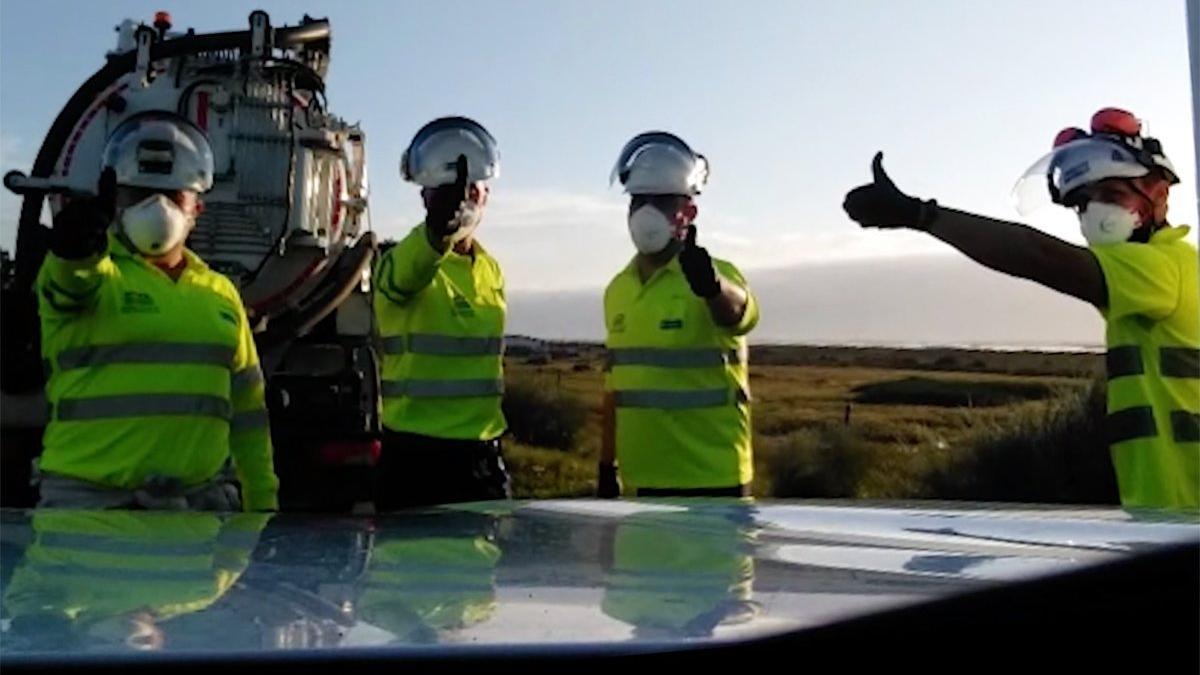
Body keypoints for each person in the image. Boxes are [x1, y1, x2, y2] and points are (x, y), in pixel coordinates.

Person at [843, 107, 1198, 509]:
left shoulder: (1166, 270)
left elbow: (1036, 255)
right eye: (1082, 204)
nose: (1094, 213)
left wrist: (923, 215)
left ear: (1160, 193)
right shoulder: (1149, 280)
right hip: (1162, 516)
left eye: (1112, 195)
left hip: (1185, 518)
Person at [35, 111, 277, 511]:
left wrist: (263, 502)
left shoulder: (221, 294)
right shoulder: (94, 274)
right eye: (138, 193)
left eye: (173, 195)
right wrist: (73, 248)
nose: (156, 207)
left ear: (196, 209)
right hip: (89, 515)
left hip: (195, 521)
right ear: (114, 200)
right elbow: (69, 282)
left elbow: (248, 410)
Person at [599, 132, 760, 498]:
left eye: (661, 201)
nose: (646, 212)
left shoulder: (720, 274)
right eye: (638, 200)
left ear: (688, 212)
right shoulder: (618, 290)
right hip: (643, 484)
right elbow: (614, 390)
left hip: (715, 482)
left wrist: (713, 288)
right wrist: (607, 466)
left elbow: (739, 314)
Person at [372, 117, 510, 510]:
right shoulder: (397, 261)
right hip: (415, 460)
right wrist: (436, 233)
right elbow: (406, 276)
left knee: (479, 567)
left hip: (480, 457)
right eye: (446, 193)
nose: (462, 199)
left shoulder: (491, 270)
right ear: (424, 199)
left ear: (486, 195)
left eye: (470, 189)